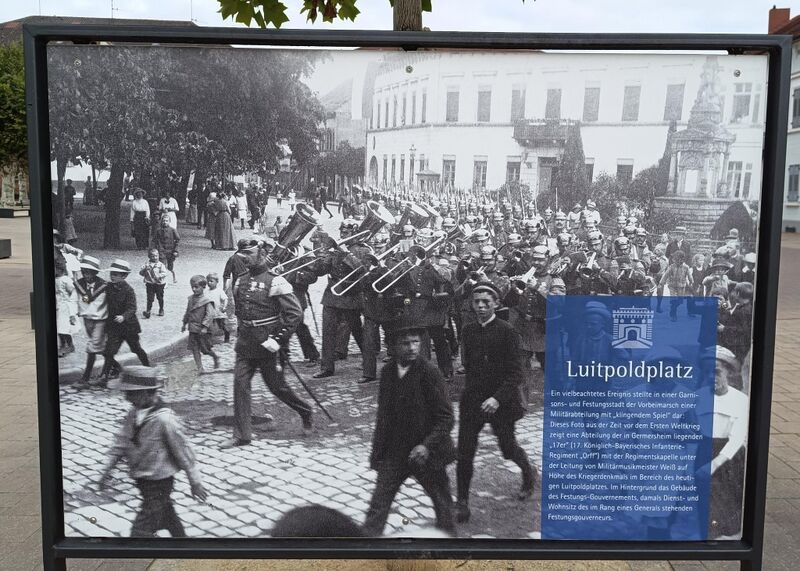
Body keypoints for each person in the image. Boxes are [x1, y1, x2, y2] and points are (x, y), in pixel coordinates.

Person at [362, 326, 456, 537]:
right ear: (392, 347)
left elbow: (446, 418)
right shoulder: (387, 373)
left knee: (442, 504)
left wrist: (426, 445)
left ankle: (450, 547)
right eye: (406, 343)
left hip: (427, 454)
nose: (412, 348)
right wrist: (377, 454)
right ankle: (366, 548)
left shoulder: (430, 372)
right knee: (379, 503)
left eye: (416, 342)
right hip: (395, 453)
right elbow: (383, 417)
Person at [455, 282, 536, 523]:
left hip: (501, 402)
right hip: (473, 401)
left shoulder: (507, 332)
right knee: (465, 452)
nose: (480, 306)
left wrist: (496, 398)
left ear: (496, 304)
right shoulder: (468, 330)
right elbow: (468, 363)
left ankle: (528, 473)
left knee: (508, 448)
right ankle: (462, 502)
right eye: (476, 302)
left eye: (486, 302)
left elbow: (516, 374)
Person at [223, 239, 313, 448]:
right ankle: (242, 434)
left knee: (277, 388)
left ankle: (305, 411)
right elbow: (241, 310)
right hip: (246, 345)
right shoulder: (240, 280)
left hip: (268, 345)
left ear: (261, 254)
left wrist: (278, 339)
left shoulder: (276, 281)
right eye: (242, 253)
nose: (244, 257)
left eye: (249, 253)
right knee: (240, 385)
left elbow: (294, 314)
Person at [98, 366, 208, 537]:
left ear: (148, 393)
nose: (126, 397)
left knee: (140, 531)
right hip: (143, 479)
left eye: (131, 393)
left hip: (160, 482)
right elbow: (122, 440)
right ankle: (182, 541)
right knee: (167, 515)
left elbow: (184, 453)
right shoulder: (134, 413)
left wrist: (195, 482)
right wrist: (108, 468)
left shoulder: (165, 419)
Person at [97, 259, 150, 384]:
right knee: (109, 351)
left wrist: (124, 316)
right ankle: (104, 376)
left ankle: (148, 368)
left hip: (128, 327)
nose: (113, 276)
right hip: (114, 326)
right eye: (112, 274)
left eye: (116, 274)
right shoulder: (108, 286)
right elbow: (98, 286)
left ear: (124, 276)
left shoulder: (128, 290)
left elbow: (132, 308)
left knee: (136, 349)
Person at [74, 256, 108, 387]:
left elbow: (107, 302)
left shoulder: (103, 285)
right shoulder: (79, 284)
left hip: (100, 319)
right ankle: (114, 368)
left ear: (95, 273)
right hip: (87, 319)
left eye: (89, 272)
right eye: (84, 272)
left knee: (92, 347)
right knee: (99, 346)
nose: (86, 275)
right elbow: (77, 298)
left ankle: (85, 379)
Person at [182, 275, 220, 373]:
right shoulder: (190, 299)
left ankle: (215, 357)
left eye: (196, 287)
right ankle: (200, 368)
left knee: (205, 350)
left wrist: (204, 327)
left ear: (203, 287)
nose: (194, 289)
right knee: (195, 349)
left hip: (203, 330)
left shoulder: (207, 301)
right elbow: (188, 311)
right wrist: (184, 323)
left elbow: (210, 315)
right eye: (192, 287)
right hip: (193, 329)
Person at [660, 250, 693, 321]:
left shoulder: (686, 267)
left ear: (681, 260)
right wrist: (661, 283)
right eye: (673, 259)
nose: (674, 260)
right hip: (672, 286)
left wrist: (691, 281)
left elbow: (689, 275)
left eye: (676, 259)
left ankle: (673, 306)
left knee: (680, 301)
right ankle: (673, 314)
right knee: (674, 299)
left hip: (681, 286)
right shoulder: (671, 267)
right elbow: (666, 275)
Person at [55, 264, 78, 357]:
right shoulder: (55, 279)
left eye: (56, 269)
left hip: (65, 306)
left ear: (61, 270)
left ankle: (69, 345)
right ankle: (63, 345)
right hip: (58, 305)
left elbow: (73, 291)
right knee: (59, 328)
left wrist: (71, 306)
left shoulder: (66, 280)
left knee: (63, 327)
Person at [139, 248, 168, 318]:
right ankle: (148, 311)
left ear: (158, 256)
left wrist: (159, 276)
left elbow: (164, 273)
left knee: (160, 297)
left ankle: (161, 309)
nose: (155, 257)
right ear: (149, 256)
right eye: (153, 256)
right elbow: (141, 273)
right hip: (150, 284)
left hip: (159, 284)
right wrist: (144, 270)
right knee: (150, 298)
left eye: (156, 256)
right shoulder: (146, 265)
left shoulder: (161, 265)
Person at [153, 216, 180, 284]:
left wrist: (176, 250)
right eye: (164, 221)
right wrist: (154, 249)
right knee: (163, 266)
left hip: (171, 251)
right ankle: (164, 281)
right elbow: (154, 240)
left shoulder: (173, 230)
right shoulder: (158, 230)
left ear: (169, 222)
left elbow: (177, 240)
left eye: (166, 221)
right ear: (162, 221)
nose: (165, 222)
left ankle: (174, 276)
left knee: (170, 267)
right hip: (161, 250)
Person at [205, 272, 230, 343]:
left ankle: (227, 335)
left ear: (217, 282)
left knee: (222, 325)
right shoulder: (206, 292)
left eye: (211, 281)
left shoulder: (219, 291)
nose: (209, 283)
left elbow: (225, 299)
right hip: (210, 313)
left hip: (219, 312)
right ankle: (209, 341)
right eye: (208, 281)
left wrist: (225, 306)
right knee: (209, 327)